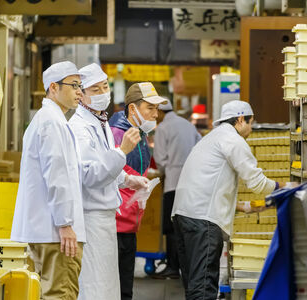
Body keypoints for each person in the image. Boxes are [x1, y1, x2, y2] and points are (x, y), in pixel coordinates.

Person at [171, 100, 288, 300]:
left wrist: (241, 207)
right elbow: (257, 183)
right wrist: (285, 187)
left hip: (183, 216)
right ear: (241, 119)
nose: (251, 129)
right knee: (204, 287)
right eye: (251, 123)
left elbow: (207, 184)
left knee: (193, 284)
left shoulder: (212, 138)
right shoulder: (233, 140)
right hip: (203, 222)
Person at [68, 63, 148, 300]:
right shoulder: (79, 127)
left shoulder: (100, 122)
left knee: (107, 285)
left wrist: (128, 180)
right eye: (95, 89)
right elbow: (91, 175)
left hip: (105, 217)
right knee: (93, 286)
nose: (103, 92)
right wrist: (123, 151)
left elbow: (106, 164)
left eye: (105, 86)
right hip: (90, 217)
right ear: (80, 94)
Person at [11, 61, 85, 300]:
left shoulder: (49, 119)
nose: (79, 92)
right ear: (53, 87)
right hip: (55, 233)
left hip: (47, 231)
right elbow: (57, 175)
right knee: (60, 293)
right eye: (74, 86)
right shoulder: (52, 122)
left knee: (47, 293)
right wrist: (65, 224)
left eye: (80, 86)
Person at [109, 82, 168, 300]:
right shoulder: (117, 133)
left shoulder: (139, 134)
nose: (155, 114)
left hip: (129, 222)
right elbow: (110, 173)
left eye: (156, 109)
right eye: (150, 108)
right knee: (116, 287)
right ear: (133, 109)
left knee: (125, 286)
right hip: (115, 223)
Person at [152, 99, 201, 279]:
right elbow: (199, 146)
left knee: (171, 227)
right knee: (188, 225)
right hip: (192, 183)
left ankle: (173, 267)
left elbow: (160, 160)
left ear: (160, 112)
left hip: (173, 182)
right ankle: (187, 267)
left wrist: (164, 170)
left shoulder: (163, 128)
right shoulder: (188, 125)